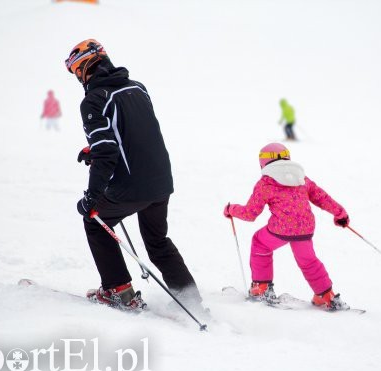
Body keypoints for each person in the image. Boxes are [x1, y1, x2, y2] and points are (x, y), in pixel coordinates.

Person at [65, 39, 203, 311]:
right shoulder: (137, 88)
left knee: (95, 221)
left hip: (132, 186)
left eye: (75, 72)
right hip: (160, 181)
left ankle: (120, 293)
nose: (76, 78)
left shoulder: (94, 99)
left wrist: (92, 196)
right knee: (157, 241)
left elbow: (107, 152)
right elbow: (133, 135)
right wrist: (95, 149)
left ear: (83, 69)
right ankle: (191, 301)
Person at [223, 142, 350, 310]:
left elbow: (250, 213)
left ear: (263, 162)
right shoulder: (301, 178)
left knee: (260, 242)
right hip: (305, 228)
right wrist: (339, 213)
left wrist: (231, 209)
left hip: (280, 228)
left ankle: (261, 288)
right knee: (308, 261)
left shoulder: (266, 183)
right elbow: (322, 197)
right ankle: (325, 295)